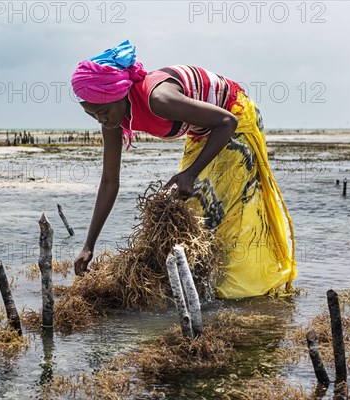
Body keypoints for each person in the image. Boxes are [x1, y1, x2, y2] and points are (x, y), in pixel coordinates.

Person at [70, 40, 296, 299]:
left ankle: (244, 293)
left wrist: (190, 173)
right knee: (197, 210)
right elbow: (110, 181)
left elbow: (226, 121)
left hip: (234, 117)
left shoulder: (159, 99)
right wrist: (89, 244)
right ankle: (209, 289)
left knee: (230, 214)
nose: (101, 119)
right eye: (92, 114)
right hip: (203, 130)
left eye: (103, 111)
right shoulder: (112, 120)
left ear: (120, 94)